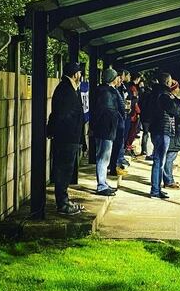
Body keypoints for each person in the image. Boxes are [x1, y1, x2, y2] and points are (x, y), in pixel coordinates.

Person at [47, 62, 84, 215]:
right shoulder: (67, 90)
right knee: (64, 170)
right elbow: (64, 115)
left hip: (67, 137)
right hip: (67, 138)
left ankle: (64, 200)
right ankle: (62, 204)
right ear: (76, 74)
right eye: (80, 73)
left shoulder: (65, 88)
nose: (81, 76)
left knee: (65, 170)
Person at [91, 68, 123, 196]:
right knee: (103, 157)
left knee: (104, 157)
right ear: (112, 78)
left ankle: (103, 182)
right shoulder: (107, 93)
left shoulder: (105, 91)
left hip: (105, 128)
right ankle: (101, 186)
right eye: (116, 77)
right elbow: (108, 111)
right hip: (106, 129)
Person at [149, 72, 176, 199]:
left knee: (158, 160)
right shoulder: (164, 95)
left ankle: (157, 188)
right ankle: (155, 190)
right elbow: (174, 109)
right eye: (170, 81)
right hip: (163, 129)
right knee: (159, 161)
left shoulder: (153, 93)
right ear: (167, 82)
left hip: (155, 129)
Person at [164, 80, 180, 189]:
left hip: (173, 131)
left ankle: (168, 178)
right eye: (178, 87)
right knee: (170, 156)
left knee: (169, 156)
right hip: (175, 132)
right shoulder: (174, 101)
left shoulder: (168, 99)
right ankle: (168, 180)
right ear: (175, 88)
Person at [125, 73, 143, 152]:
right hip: (132, 113)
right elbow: (134, 101)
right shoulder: (132, 87)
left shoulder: (133, 87)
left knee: (132, 130)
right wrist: (138, 111)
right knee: (131, 130)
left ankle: (128, 144)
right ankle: (127, 145)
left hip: (133, 112)